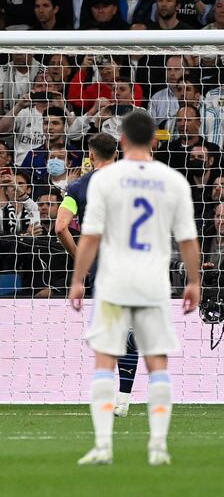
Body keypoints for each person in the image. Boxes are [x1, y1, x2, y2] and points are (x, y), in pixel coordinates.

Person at [69, 110, 201, 466]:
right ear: (155, 141)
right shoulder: (172, 180)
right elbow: (188, 240)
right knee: (157, 361)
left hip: (113, 279)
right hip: (153, 281)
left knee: (104, 359)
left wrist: (79, 280)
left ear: (123, 141)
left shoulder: (104, 181)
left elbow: (90, 236)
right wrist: (193, 281)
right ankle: (158, 445)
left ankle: (102, 446)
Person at [56, 133, 140, 417]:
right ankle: (123, 398)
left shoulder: (79, 186)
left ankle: (117, 397)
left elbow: (59, 227)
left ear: (91, 155)